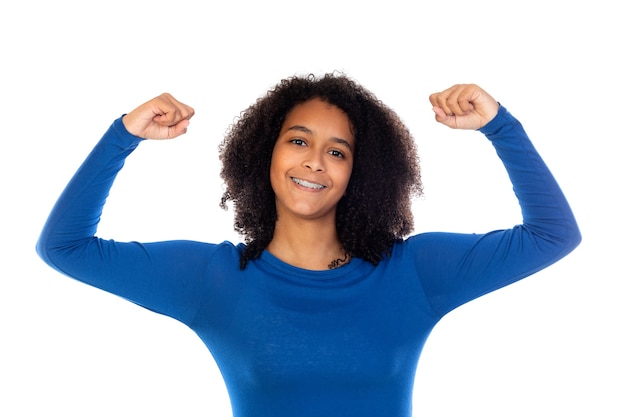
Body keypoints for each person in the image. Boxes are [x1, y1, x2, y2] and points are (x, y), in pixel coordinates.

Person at [36, 73, 581, 417]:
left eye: (337, 151)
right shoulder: (212, 279)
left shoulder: (412, 272)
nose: (314, 161)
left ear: (360, 173)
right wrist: (123, 135)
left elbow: (554, 235)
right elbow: (65, 247)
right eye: (298, 140)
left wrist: (500, 127)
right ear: (263, 155)